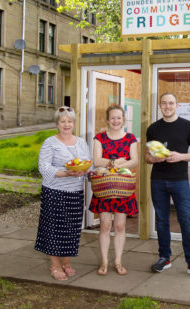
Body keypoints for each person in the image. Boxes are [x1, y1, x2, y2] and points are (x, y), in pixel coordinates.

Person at [145, 93, 190, 279]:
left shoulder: (187, 126)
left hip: (180, 180)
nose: (167, 106)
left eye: (171, 103)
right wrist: (155, 158)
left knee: (186, 221)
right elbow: (147, 157)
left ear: (177, 105)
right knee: (161, 220)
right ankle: (164, 258)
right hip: (158, 180)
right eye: (164, 103)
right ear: (160, 106)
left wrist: (180, 156)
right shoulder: (153, 128)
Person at [35, 106, 91, 281]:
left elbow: (88, 163)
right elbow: (43, 167)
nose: (67, 124)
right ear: (57, 124)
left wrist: (85, 171)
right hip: (55, 191)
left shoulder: (81, 142)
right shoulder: (50, 142)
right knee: (54, 228)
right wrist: (66, 173)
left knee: (72, 228)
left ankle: (66, 262)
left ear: (74, 123)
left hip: (75, 191)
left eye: (70, 121)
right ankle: (55, 265)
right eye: (63, 121)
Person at [89, 105, 139, 276]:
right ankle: (104, 261)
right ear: (107, 120)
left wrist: (111, 162)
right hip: (105, 188)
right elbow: (96, 161)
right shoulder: (99, 138)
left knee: (119, 225)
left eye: (119, 118)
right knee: (104, 225)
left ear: (123, 120)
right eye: (112, 118)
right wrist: (118, 162)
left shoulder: (130, 138)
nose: (116, 121)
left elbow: (135, 161)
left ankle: (118, 261)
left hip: (122, 188)